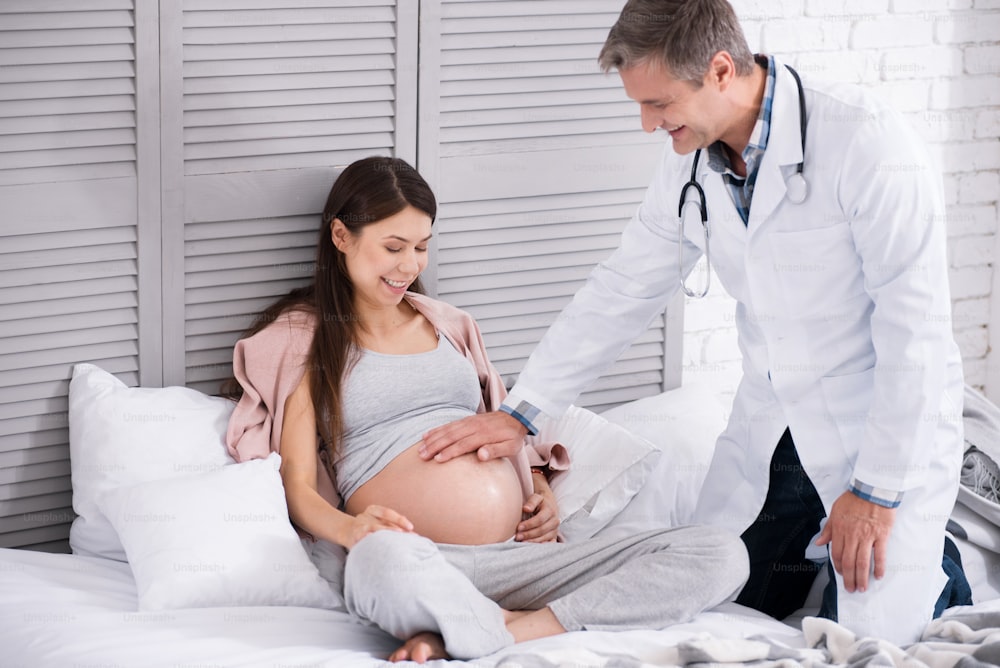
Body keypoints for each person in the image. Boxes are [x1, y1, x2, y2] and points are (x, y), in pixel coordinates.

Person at [419, 0, 972, 646]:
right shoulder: (691, 161)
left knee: (876, 635)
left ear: (718, 71)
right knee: (718, 589)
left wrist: (876, 494)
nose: (648, 125)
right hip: (775, 424)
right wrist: (521, 414)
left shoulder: (865, 141)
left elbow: (917, 332)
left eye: (658, 105)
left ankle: (940, 565)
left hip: (878, 429)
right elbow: (622, 287)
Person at [223, 156, 749, 663]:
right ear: (342, 237)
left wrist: (540, 492)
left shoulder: (452, 326)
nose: (410, 266)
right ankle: (471, 619)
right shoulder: (306, 340)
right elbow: (296, 487)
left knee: (722, 552)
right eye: (393, 246)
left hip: (520, 561)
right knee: (380, 564)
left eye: (422, 247)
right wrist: (352, 532)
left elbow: (506, 430)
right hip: (419, 560)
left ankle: (513, 628)